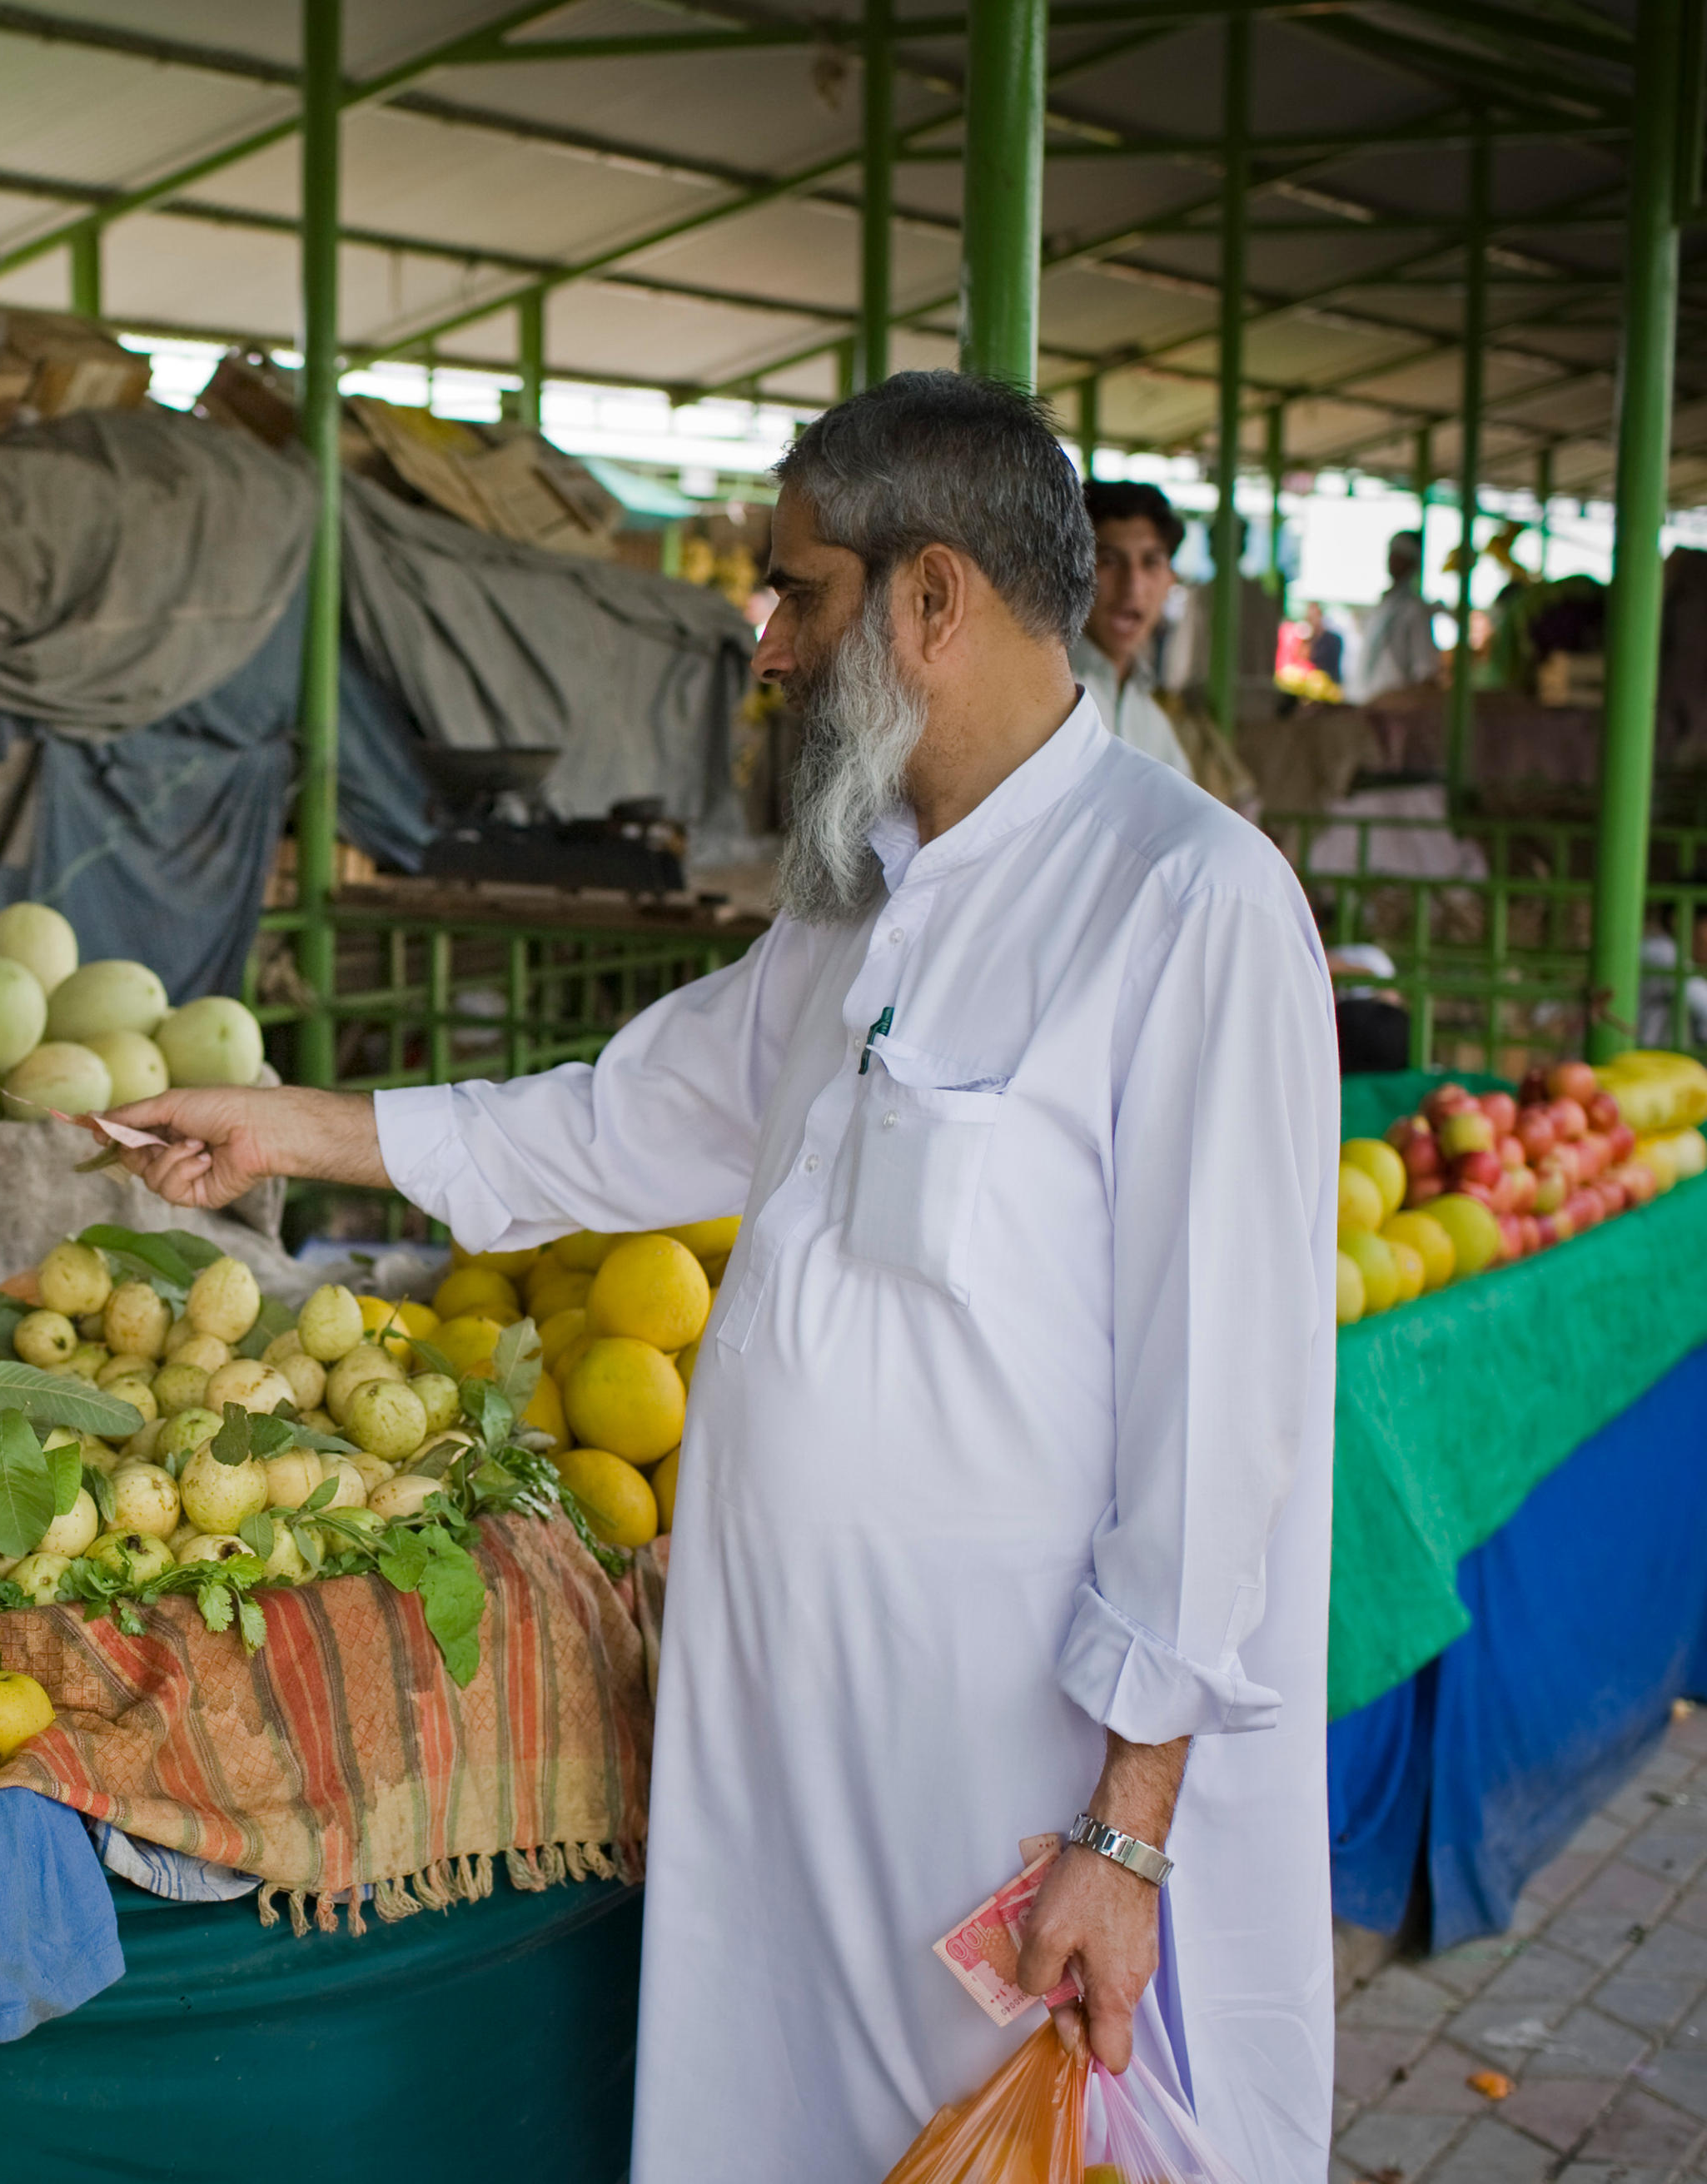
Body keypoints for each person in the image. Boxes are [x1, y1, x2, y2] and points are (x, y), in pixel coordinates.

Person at [101, 374, 1335, 2182]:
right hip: (784, 1727)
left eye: (798, 591)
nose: (762, 644)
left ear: (929, 599)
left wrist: (1125, 1834)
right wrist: (292, 1130)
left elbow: (1227, 1413)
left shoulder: (1185, 905)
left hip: (1008, 1784)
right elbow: (623, 1122)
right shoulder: (859, 892)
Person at [1074, 480, 1193, 774]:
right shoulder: (1040, 693)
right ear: (1072, 571)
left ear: (1170, 580)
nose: (1133, 587)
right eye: (1110, 561)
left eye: (1151, 562)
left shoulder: (1153, 721)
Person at [1352, 529, 1445, 702]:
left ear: (1411, 562)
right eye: (1392, 554)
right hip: (1369, 703)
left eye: (1399, 555)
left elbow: (1426, 671)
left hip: (1393, 708)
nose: (1391, 560)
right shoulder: (1384, 605)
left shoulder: (1414, 609)